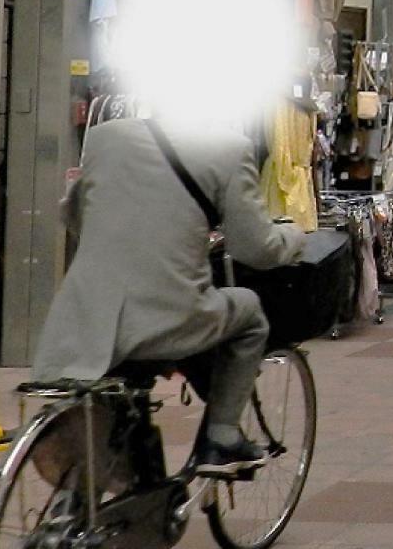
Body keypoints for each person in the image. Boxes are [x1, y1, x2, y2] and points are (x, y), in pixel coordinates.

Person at [32, 115, 306, 474]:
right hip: (169, 319)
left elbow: (76, 217)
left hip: (85, 318)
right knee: (249, 311)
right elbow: (256, 248)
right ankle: (222, 438)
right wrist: (296, 237)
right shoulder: (229, 150)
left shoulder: (104, 138)